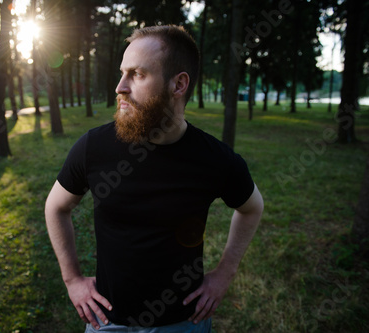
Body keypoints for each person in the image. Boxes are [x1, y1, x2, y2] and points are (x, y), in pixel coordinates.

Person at [45, 25, 264, 332]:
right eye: (122, 73)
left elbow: (252, 207)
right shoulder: (94, 147)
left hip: (184, 322)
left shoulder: (215, 159)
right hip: (108, 321)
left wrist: (225, 273)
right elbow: (56, 206)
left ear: (178, 84)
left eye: (137, 74)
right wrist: (72, 280)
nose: (120, 86)